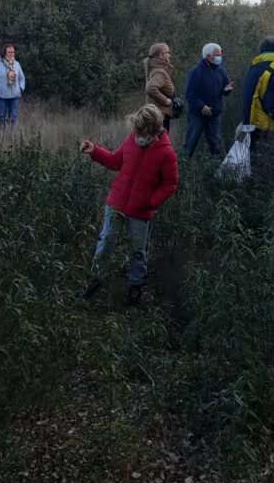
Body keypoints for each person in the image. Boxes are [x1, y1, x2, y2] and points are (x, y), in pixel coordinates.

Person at [80, 105, 179, 305]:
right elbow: (115, 161)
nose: (137, 135)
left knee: (137, 251)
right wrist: (95, 151)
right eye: (136, 131)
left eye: (141, 132)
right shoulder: (132, 139)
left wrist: (151, 202)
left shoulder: (166, 153)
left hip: (140, 211)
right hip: (116, 203)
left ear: (153, 130)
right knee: (106, 242)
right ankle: (94, 282)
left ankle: (135, 289)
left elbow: (170, 183)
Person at [184, 43, 233, 157]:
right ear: (208, 56)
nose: (220, 57)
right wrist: (202, 106)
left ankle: (216, 166)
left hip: (214, 114)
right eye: (217, 55)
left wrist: (227, 89)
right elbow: (190, 95)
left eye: (220, 54)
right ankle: (183, 164)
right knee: (190, 143)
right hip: (197, 114)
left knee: (216, 145)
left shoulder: (221, 70)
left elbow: (225, 89)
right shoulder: (196, 72)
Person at [0, 44, 25, 135]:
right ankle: (2, 136)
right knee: (2, 118)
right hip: (2, 96)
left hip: (15, 96)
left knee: (14, 117)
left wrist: (21, 88)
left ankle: (13, 136)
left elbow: (22, 78)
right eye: (9, 52)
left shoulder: (16, 64)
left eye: (13, 52)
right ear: (4, 53)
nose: (11, 54)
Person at [144, 43, 177, 133]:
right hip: (160, 116)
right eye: (167, 52)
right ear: (161, 55)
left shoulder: (155, 69)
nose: (169, 55)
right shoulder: (159, 72)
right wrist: (166, 100)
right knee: (161, 139)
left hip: (157, 114)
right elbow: (150, 88)